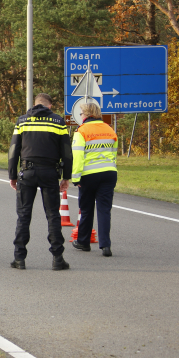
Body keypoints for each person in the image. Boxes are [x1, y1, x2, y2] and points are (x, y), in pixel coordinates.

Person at [8, 93, 72, 270]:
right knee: (53, 215)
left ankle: (19, 258)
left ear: (34, 105)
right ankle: (58, 258)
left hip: (27, 172)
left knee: (23, 215)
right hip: (50, 172)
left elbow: (14, 150)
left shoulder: (22, 121)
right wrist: (66, 176)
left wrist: (12, 175)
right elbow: (67, 151)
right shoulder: (58, 121)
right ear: (49, 106)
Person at [71, 101, 118, 257]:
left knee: (86, 208)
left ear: (86, 114)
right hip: (109, 172)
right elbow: (114, 153)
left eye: (81, 114)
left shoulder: (82, 131)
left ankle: (83, 242)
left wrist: (75, 177)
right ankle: (106, 245)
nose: (81, 116)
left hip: (89, 174)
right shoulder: (110, 129)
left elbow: (77, 156)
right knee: (104, 209)